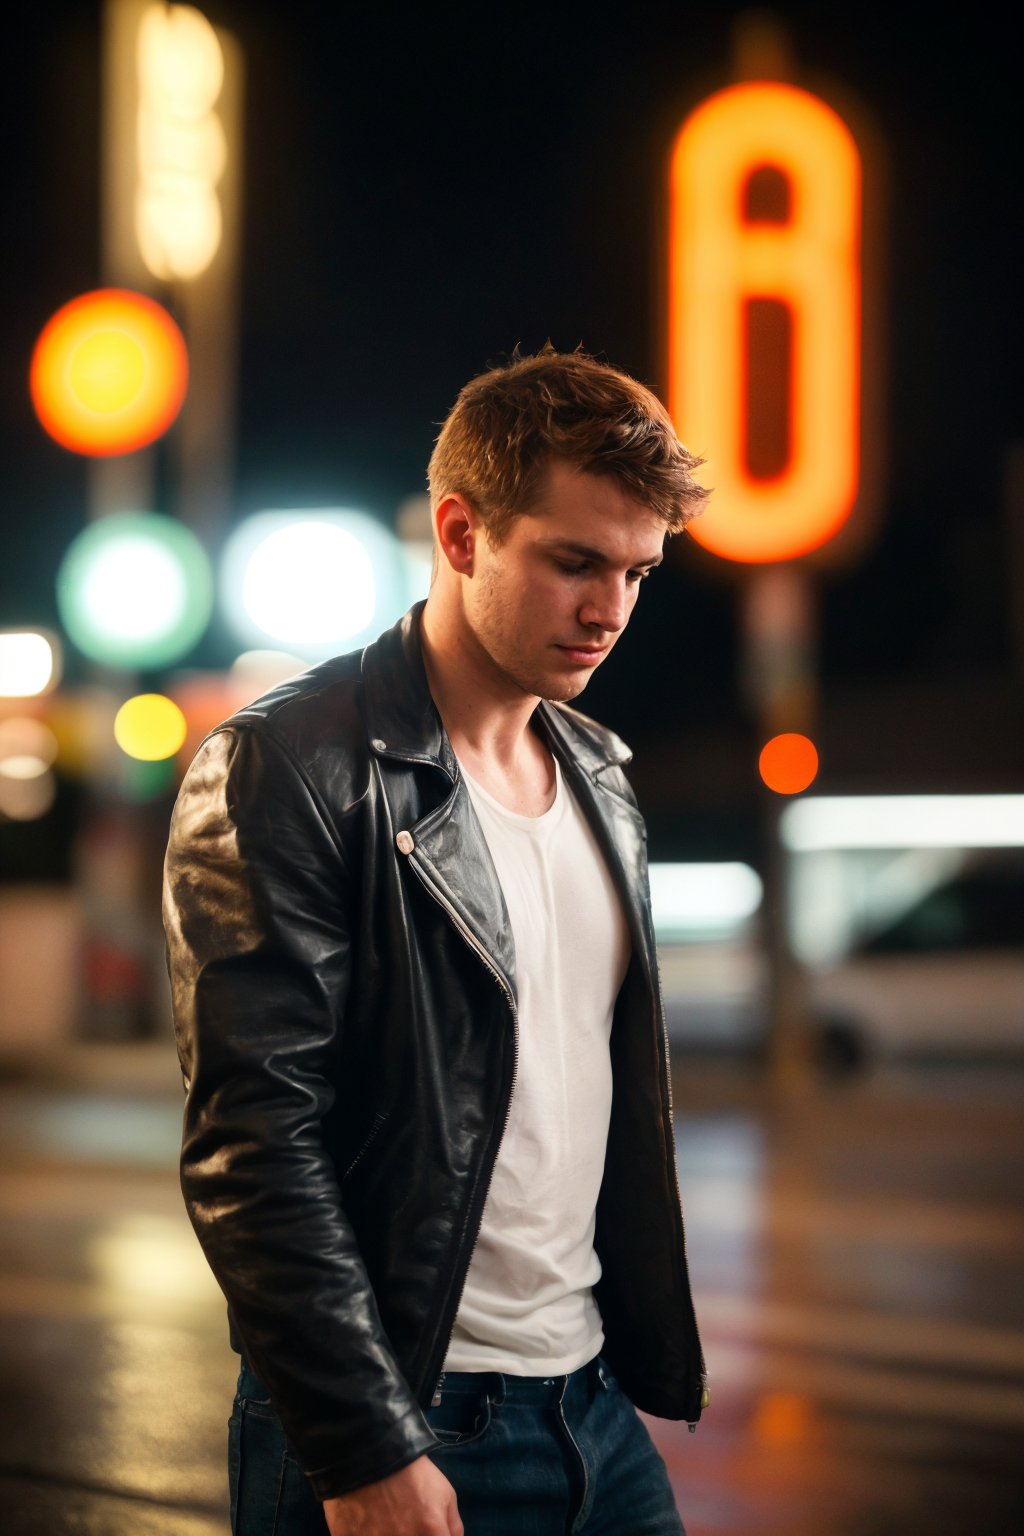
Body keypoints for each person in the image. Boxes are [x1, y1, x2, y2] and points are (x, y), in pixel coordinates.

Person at [163, 346, 710, 1536]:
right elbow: (253, 1143)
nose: (608, 609)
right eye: (573, 561)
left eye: (636, 571)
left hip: (593, 1409)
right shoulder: (290, 767)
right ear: (459, 534)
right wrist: (361, 1448)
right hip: (402, 1415)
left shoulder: (601, 774)